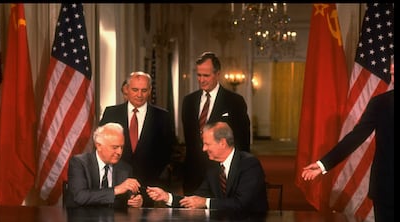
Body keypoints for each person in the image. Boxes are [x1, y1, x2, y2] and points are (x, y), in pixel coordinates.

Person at [301, 57, 394, 222]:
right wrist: (323, 164)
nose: (391, 70)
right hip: (387, 194)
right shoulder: (380, 103)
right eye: (391, 67)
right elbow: (356, 136)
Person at [147, 121, 267, 213]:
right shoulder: (213, 168)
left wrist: (206, 202)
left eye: (207, 144)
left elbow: (241, 204)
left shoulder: (249, 164)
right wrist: (167, 197)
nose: (204, 149)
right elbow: (196, 199)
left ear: (222, 143)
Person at [99, 71, 176, 207]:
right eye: (135, 90)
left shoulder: (162, 117)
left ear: (150, 91)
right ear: (126, 89)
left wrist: (150, 190)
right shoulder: (111, 113)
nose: (139, 95)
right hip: (115, 185)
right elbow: (101, 148)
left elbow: (167, 153)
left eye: (144, 90)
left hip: (149, 188)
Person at [181, 51, 251, 195]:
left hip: (221, 175)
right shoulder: (188, 101)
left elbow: (243, 142)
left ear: (217, 74)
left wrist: (238, 174)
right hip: (193, 175)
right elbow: (190, 141)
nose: (201, 80)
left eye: (206, 75)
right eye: (199, 75)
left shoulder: (235, 102)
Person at [66, 122, 143, 209]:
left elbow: (128, 197)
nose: (119, 152)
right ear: (98, 146)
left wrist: (136, 200)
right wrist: (115, 190)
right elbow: (80, 196)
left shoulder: (125, 168)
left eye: (121, 147)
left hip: (114, 220)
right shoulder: (79, 163)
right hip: (84, 219)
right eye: (115, 147)